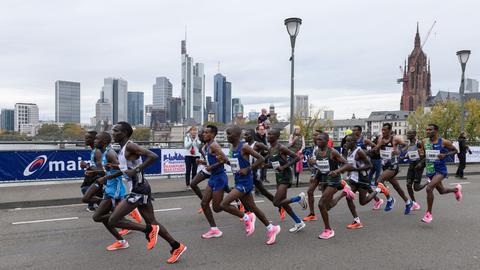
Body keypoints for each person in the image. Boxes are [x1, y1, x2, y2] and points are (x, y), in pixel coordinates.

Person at [100, 122, 186, 264]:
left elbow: (153, 156)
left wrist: (137, 170)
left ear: (125, 133)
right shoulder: (122, 149)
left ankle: (147, 230)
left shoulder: (130, 145)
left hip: (139, 189)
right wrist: (112, 169)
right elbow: (127, 168)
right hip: (139, 188)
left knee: (113, 220)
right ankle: (176, 246)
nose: (112, 133)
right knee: (153, 222)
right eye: (112, 130)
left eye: (116, 131)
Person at [220, 126, 281, 244]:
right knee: (254, 208)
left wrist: (248, 169)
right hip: (238, 180)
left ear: (236, 135)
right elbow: (236, 165)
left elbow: (261, 158)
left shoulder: (244, 147)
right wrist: (225, 161)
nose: (227, 136)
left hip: (245, 182)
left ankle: (247, 217)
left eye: (229, 134)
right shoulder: (233, 147)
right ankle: (271, 228)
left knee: (224, 204)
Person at [83, 132, 128, 250]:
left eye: (97, 139)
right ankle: (121, 238)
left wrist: (106, 177)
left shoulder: (110, 153)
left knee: (98, 217)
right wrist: (93, 171)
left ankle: (144, 229)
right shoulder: (103, 153)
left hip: (115, 189)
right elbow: (105, 170)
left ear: (104, 142)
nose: (94, 141)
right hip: (108, 186)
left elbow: (123, 169)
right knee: (90, 205)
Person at [308, 132, 351, 239]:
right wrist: (313, 165)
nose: (317, 142)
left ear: (327, 142)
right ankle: (344, 193)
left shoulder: (333, 152)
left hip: (334, 180)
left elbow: (347, 164)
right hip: (323, 179)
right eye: (317, 140)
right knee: (327, 206)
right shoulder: (317, 152)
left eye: (320, 140)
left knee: (321, 204)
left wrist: (337, 171)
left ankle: (328, 230)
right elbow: (320, 166)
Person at [266, 128, 307, 233]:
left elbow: (296, 158)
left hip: (285, 176)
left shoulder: (281, 147)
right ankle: (298, 222)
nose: (268, 135)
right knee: (283, 203)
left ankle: (298, 198)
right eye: (268, 134)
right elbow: (275, 163)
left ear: (276, 137)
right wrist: (265, 165)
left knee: (276, 202)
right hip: (278, 176)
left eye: (271, 134)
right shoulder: (270, 148)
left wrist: (284, 167)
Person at [421, 124, 462, 223]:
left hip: (440, 171)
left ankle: (428, 214)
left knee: (429, 188)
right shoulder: (424, 142)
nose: (427, 131)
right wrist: (420, 163)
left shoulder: (443, 142)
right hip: (430, 170)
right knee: (442, 191)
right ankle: (456, 190)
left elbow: (455, 151)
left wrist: (445, 154)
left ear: (436, 131)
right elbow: (425, 155)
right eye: (426, 130)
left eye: (430, 130)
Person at [371, 123, 412, 214]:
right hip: (385, 165)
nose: (383, 131)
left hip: (393, 165)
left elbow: (406, 145)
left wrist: (399, 152)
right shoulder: (380, 138)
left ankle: (390, 199)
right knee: (396, 186)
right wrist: (379, 145)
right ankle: (408, 202)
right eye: (382, 130)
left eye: (385, 130)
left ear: (390, 130)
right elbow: (376, 151)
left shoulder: (395, 139)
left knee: (379, 180)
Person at [401, 129, 427, 211]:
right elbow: (412, 154)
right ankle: (414, 203)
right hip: (412, 165)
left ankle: (428, 182)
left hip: (419, 165)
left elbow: (426, 155)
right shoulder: (409, 144)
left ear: (414, 134)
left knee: (416, 188)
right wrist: (405, 157)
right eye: (407, 133)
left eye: (410, 133)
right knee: (408, 184)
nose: (407, 134)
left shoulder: (418, 143)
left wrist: (420, 163)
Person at [80, 130, 103, 212]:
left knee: (85, 189)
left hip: (100, 177)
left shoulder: (97, 151)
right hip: (96, 176)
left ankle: (102, 203)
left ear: (93, 139)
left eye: (86, 138)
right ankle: (93, 206)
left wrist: (87, 166)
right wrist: (89, 169)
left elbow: (101, 169)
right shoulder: (94, 150)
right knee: (89, 188)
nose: (84, 140)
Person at [184, 126, 201, 190]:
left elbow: (199, 146)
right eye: (192, 130)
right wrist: (191, 140)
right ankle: (188, 184)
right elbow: (186, 146)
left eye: (195, 130)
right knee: (188, 170)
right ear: (190, 131)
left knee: (195, 170)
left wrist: (196, 140)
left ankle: (193, 184)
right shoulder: (187, 137)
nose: (194, 132)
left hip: (196, 156)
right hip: (188, 155)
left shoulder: (198, 138)